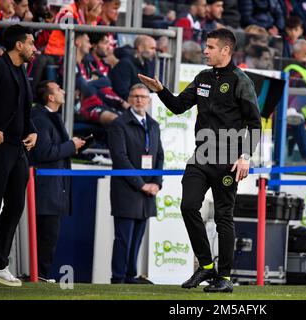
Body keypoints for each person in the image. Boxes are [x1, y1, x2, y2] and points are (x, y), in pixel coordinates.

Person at [139, 28, 261, 293]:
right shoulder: (203, 77)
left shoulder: (242, 81)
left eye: (210, 47)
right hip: (201, 156)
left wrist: (245, 157)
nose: (205, 51)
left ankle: (225, 278)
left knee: (223, 217)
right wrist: (160, 90)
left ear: (225, 50)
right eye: (206, 46)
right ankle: (206, 266)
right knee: (188, 205)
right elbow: (179, 105)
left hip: (228, 159)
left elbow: (254, 122)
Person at [0, 24, 37, 287]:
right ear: (18, 45)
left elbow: (24, 110)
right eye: (31, 42)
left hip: (19, 148)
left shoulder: (22, 71)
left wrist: (33, 131)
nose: (35, 47)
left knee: (15, 206)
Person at [107, 84, 164, 284]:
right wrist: (142, 185)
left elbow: (159, 156)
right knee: (123, 239)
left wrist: (156, 184)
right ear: (130, 99)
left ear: (148, 101)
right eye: (135, 96)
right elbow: (120, 158)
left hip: (148, 192)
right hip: (127, 191)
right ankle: (119, 277)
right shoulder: (119, 124)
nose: (139, 100)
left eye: (143, 97)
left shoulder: (154, 125)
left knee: (137, 239)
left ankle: (130, 276)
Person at [30, 81, 85, 281]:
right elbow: (44, 152)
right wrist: (71, 145)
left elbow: (53, 149)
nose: (63, 90)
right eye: (58, 89)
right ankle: (37, 275)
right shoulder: (40, 118)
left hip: (53, 188)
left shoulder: (49, 117)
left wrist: (73, 146)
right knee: (45, 235)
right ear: (50, 97)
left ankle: (39, 275)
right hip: (45, 190)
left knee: (48, 236)